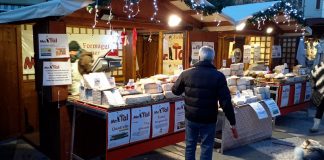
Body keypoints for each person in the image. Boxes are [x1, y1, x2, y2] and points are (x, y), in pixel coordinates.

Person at [172, 46, 237, 160]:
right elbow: (225, 102)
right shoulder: (219, 76)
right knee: (206, 147)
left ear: (199, 57)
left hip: (191, 117)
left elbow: (175, 91)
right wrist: (232, 122)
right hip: (209, 119)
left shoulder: (186, 73)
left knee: (190, 145)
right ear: (213, 59)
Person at [309, 51, 324, 133]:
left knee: (320, 109)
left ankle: (315, 126)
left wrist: (313, 86)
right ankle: (315, 126)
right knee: (320, 108)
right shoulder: (318, 67)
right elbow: (311, 77)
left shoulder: (318, 67)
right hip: (319, 91)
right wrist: (313, 86)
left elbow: (311, 78)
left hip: (318, 91)